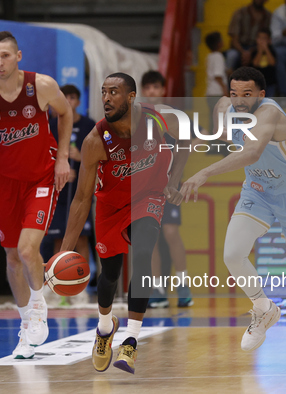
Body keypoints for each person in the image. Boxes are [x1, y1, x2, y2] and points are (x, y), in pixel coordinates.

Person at [181, 67, 286, 363]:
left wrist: (205, 172)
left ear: (261, 94)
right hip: (257, 191)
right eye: (234, 94)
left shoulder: (270, 114)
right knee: (232, 255)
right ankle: (263, 309)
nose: (239, 101)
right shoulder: (225, 106)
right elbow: (219, 133)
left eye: (246, 95)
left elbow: (251, 152)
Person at [60, 73, 187, 374]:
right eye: (103, 92)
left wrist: (174, 180)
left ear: (131, 97)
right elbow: (80, 200)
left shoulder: (158, 120)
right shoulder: (95, 140)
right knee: (110, 274)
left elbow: (183, 142)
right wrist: (64, 251)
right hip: (111, 205)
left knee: (142, 251)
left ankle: (131, 339)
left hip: (149, 195)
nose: (106, 98)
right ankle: (105, 328)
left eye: (114, 92)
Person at [0, 31, 72, 359]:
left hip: (41, 178)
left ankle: (39, 311)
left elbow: (65, 114)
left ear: (18, 56)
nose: (0, 62)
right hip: (6, 183)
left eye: (6, 55)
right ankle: (26, 326)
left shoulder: (41, 85)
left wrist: (62, 157)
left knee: (26, 249)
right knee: (11, 257)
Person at [139, 70, 193, 309]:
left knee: (171, 233)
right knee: (151, 237)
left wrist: (175, 180)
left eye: (155, 87)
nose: (151, 91)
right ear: (142, 91)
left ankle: (183, 285)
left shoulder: (173, 116)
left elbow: (191, 141)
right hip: (146, 185)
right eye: (147, 87)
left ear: (163, 90)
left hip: (170, 182)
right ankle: (157, 289)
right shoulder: (137, 116)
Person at [46, 84, 96, 260]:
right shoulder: (50, 125)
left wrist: (82, 158)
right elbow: (43, 157)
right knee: (59, 239)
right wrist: (59, 171)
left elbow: (102, 158)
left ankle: (84, 286)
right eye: (64, 97)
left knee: (81, 238)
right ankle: (56, 283)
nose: (68, 101)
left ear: (78, 101)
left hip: (81, 191)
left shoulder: (90, 125)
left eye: (72, 98)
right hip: (57, 191)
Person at [225, 0, 272, 71]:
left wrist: (251, 52)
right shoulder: (240, 13)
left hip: (257, 48)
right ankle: (227, 80)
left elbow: (268, 39)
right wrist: (244, 52)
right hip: (239, 48)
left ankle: (267, 82)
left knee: (270, 57)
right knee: (232, 55)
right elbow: (234, 40)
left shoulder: (268, 16)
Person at [250, 29, 278, 98]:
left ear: (269, 40)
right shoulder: (254, 51)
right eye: (260, 38)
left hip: (270, 82)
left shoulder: (272, 51)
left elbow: (272, 63)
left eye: (264, 38)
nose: (262, 41)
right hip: (258, 83)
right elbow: (255, 64)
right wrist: (260, 52)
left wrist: (266, 49)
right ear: (256, 39)